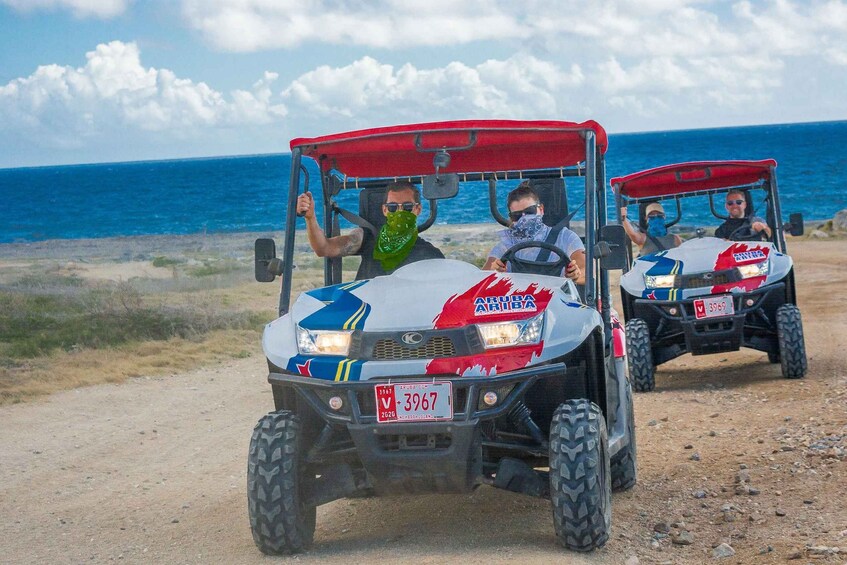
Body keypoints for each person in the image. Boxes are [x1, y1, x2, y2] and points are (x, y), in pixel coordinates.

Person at [296, 181, 444, 279]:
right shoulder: (366, 239)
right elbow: (324, 248)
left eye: (407, 207)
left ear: (417, 209)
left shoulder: (431, 255)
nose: (399, 213)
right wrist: (310, 218)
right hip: (367, 321)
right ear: (385, 210)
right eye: (393, 207)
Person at [483, 182, 585, 284]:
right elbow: (482, 280)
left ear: (541, 209)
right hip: (521, 298)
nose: (524, 218)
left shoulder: (565, 237)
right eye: (517, 216)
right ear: (511, 219)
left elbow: (588, 272)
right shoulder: (505, 245)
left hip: (559, 297)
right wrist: (494, 273)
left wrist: (576, 274)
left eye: (530, 211)